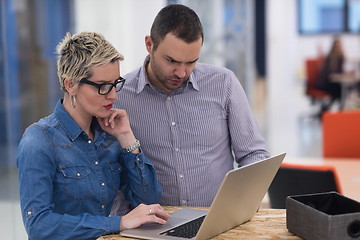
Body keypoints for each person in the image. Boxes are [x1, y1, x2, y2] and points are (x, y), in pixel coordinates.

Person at [113, 4, 270, 210]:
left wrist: (244, 201)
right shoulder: (119, 96)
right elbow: (112, 171)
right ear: (149, 44)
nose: (181, 72)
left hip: (217, 219)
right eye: (171, 61)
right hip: (154, 223)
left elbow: (254, 154)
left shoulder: (223, 84)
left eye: (191, 62)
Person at [16, 32, 170, 240]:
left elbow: (148, 200)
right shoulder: (39, 140)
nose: (114, 95)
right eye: (102, 86)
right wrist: (119, 223)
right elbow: (39, 224)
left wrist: (127, 138)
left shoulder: (110, 135)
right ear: (70, 85)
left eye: (115, 83)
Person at [317, 36, 344, 110]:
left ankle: (330, 107)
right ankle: (336, 109)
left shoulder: (340, 57)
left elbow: (340, 71)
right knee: (340, 90)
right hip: (326, 83)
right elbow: (332, 74)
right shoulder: (331, 57)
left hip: (333, 82)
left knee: (342, 88)